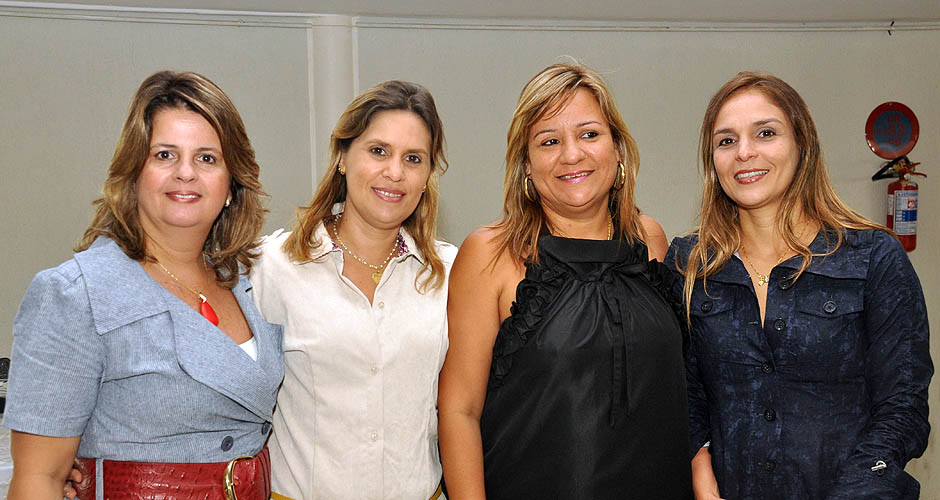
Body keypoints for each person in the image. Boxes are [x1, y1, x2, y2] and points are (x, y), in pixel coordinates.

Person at [2, 71, 283, 500]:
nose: (185, 173)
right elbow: (38, 479)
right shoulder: (75, 294)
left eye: (207, 158)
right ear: (135, 173)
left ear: (231, 184)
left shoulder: (250, 281)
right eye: (165, 155)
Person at [667, 72, 932, 500]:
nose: (744, 152)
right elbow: (683, 393)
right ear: (712, 162)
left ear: (802, 145)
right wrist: (700, 473)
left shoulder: (874, 258)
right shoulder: (689, 265)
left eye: (765, 133)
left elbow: (903, 407)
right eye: (726, 141)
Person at [438, 62, 692, 499]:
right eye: (549, 141)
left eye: (589, 134)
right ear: (526, 165)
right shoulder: (489, 253)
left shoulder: (649, 239)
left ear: (618, 149)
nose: (571, 155)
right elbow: (459, 411)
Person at [249, 80, 456, 500]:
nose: (394, 172)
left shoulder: (451, 273)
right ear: (342, 157)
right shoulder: (271, 268)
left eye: (413, 158)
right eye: (378, 151)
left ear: (427, 176)